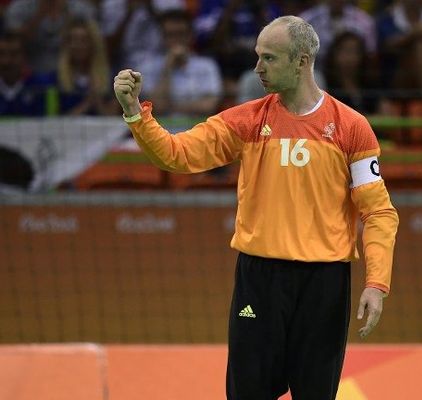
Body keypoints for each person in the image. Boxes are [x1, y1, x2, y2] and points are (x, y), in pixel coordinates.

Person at [113, 15, 398, 399]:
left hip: (324, 285)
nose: (257, 68)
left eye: (269, 58)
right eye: (257, 56)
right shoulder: (246, 120)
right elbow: (177, 155)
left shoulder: (351, 127)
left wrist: (376, 283)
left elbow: (378, 211)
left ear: (301, 61)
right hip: (260, 279)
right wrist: (135, 112)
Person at [133, 9, 223, 116]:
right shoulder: (147, 67)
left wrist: (173, 106)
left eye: (181, 34)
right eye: (170, 35)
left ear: (190, 36)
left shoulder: (207, 66)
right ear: (162, 37)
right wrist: (168, 68)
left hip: (197, 131)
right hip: (160, 131)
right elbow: (156, 107)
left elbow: (209, 106)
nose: (176, 40)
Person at [3, 0, 96, 74]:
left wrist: (68, 17)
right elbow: (13, 45)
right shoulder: (19, 7)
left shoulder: (81, 8)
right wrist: (40, 14)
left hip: (71, 75)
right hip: (30, 76)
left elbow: (95, 43)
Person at [56, 18, 118, 115]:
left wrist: (97, 102)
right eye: (73, 40)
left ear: (93, 44)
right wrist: (87, 104)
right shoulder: (56, 79)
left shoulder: (111, 78)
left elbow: (113, 120)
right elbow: (54, 122)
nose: (78, 45)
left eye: (83, 40)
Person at [0, 31, 53, 116]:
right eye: (1, 54)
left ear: (24, 57)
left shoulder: (41, 87)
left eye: (13, 54)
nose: (6, 61)